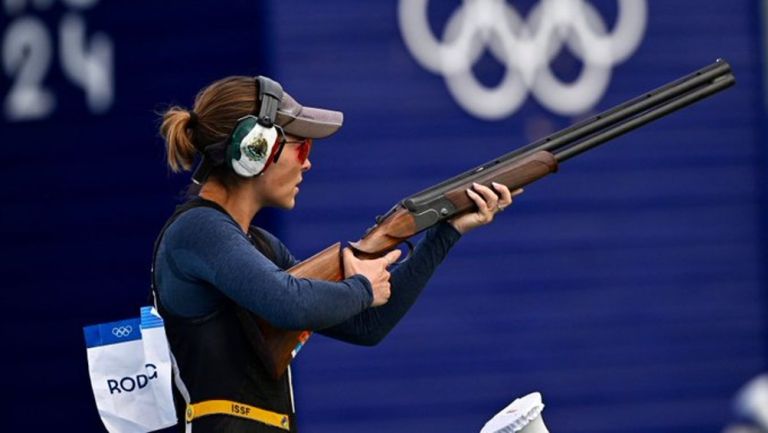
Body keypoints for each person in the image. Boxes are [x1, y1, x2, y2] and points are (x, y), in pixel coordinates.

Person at [154, 75, 521, 433]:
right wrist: (362, 288)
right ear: (256, 150)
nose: (307, 163)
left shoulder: (259, 245)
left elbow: (367, 326)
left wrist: (447, 229)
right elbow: (290, 303)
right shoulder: (198, 230)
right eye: (302, 148)